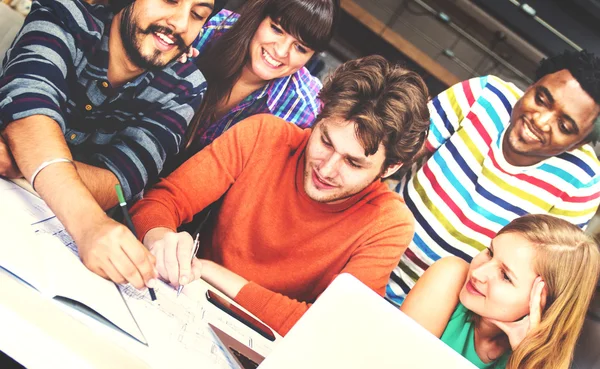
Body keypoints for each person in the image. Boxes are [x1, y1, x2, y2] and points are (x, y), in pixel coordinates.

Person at [129, 55, 430, 335]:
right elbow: (162, 201)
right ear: (318, 116)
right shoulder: (264, 134)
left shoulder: (388, 222)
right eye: (325, 141)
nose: (326, 169)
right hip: (178, 306)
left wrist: (207, 269)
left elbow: (328, 328)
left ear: (390, 167)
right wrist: (160, 238)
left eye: (353, 163)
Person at [0, 0, 214, 289]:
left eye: (198, 15)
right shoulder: (64, 15)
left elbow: (117, 183)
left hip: (55, 250)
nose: (181, 24)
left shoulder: (186, 86)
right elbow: (30, 109)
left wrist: (22, 156)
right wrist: (88, 223)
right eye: (170, 0)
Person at [387, 50, 600, 304]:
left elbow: (540, 275)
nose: (540, 122)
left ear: (580, 142)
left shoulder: (583, 181)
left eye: (564, 127)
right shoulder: (483, 96)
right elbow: (391, 153)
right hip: (374, 251)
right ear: (530, 86)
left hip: (453, 309)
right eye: (541, 99)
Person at [400, 214, 600, 369]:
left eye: (505, 276)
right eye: (490, 252)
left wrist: (526, 359)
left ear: (543, 304)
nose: (478, 272)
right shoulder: (450, 275)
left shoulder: (543, 361)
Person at [181, 0, 339, 154]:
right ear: (259, 16)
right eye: (277, 29)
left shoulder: (306, 112)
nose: (281, 51)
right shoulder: (211, 27)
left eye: (300, 48)